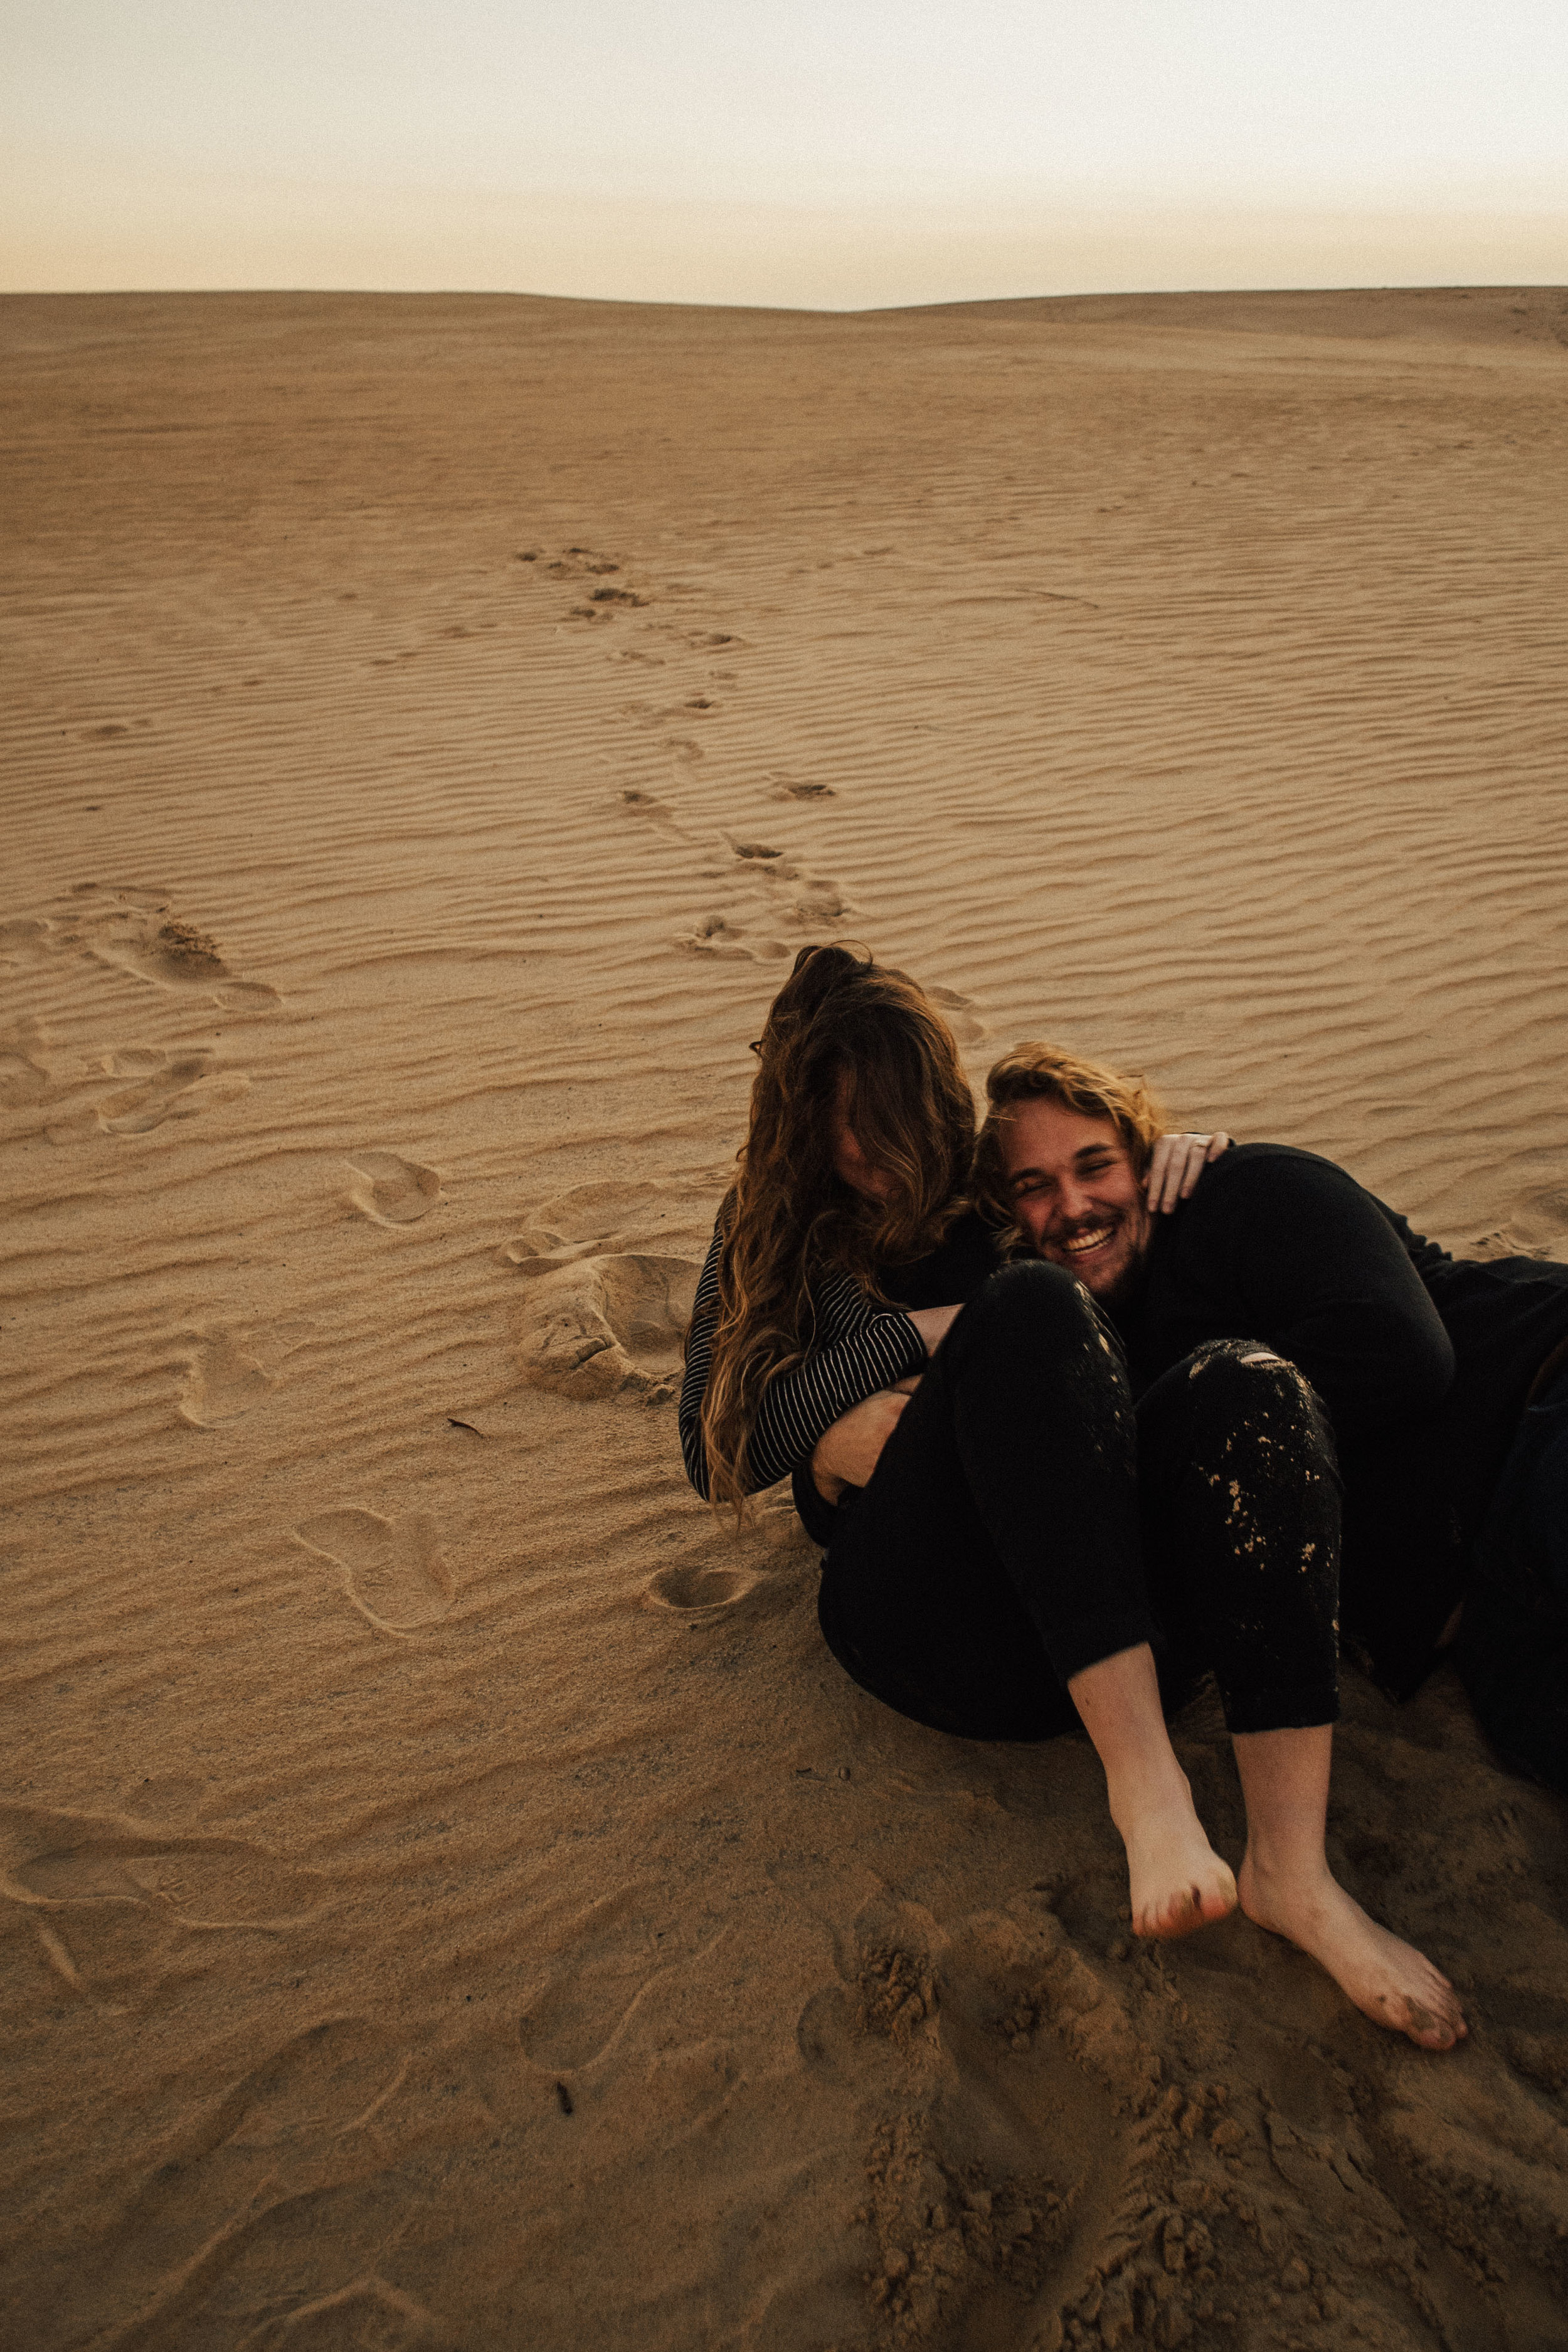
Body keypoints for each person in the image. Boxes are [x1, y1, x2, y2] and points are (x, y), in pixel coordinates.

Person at [681, 950, 1448, 2044]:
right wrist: (888, 1367)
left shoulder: (992, 1183)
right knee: (1029, 1308)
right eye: (854, 1127)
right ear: (799, 1123)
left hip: (1094, 1594)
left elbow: (1111, 1227)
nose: (887, 1156)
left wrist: (1188, 1161)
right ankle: (1145, 1789)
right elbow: (713, 1447)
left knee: (1246, 1378)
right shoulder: (765, 1224)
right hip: (931, 1618)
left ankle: (1294, 1869)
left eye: (909, 1116)